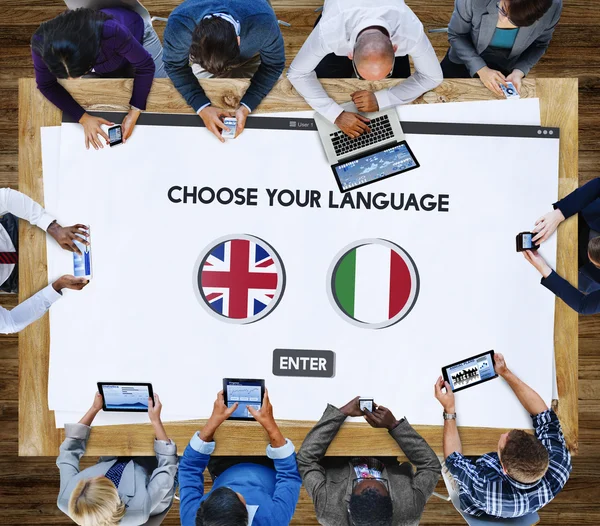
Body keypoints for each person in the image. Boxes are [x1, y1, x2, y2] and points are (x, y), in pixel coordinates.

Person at [434, 353, 572, 518]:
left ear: (504, 469)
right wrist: (505, 372)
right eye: (513, 433)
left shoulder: (485, 489)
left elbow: (453, 459)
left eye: (502, 444)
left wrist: (449, 409)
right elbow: (543, 415)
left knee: (438, 452)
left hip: (477, 497)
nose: (504, 434)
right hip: (515, 503)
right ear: (540, 447)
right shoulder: (560, 462)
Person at [287, 0, 442, 139]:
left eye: (386, 73)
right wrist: (336, 114)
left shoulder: (410, 31)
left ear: (395, 48)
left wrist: (382, 99)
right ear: (350, 54)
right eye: (362, 76)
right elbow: (298, 73)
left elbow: (432, 77)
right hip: (340, 17)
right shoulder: (329, 31)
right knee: (326, 75)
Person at [32, 6, 166, 150]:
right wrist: (83, 118)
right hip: (107, 59)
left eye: (79, 73)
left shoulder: (111, 31)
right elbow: (46, 85)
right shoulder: (41, 44)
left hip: (137, 38)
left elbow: (145, 66)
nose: (76, 80)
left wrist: (134, 111)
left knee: (164, 89)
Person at [297, 396, 441, 525]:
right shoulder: (409, 511)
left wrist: (342, 413)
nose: (370, 475)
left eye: (360, 482)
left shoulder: (329, 511)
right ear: (392, 503)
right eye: (380, 482)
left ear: (349, 503)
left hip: (340, 446)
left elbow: (306, 460)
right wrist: (394, 426)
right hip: (385, 447)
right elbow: (431, 467)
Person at [163, 0, 285, 143]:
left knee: (278, 97)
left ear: (239, 41)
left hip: (251, 56)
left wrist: (247, 105)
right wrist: (201, 107)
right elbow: (174, 66)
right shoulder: (179, 25)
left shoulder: (264, 22)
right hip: (205, 59)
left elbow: (274, 65)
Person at [179, 390, 301, 526]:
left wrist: (212, 423)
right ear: (246, 514)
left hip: (224, 467)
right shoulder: (274, 521)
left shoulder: (192, 519)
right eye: (235, 493)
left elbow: (188, 470)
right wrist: (270, 425)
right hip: (271, 464)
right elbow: (289, 476)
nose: (233, 487)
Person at [57, 392, 178, 525]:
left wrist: (94, 409)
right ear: (115, 495)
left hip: (115, 461)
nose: (98, 474)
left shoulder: (66, 499)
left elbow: (68, 452)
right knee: (180, 451)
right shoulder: (138, 509)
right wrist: (155, 420)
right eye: (103, 480)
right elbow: (167, 467)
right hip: (152, 478)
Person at [0, 188, 89, 334]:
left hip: (20, 230)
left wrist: (52, 227)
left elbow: (3, 197)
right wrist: (56, 286)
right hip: (23, 277)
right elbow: (10, 323)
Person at [441, 0, 562, 96]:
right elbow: (456, 35)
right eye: (503, 9)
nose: (503, 19)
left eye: (514, 20)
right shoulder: (471, 1)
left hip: (507, 66)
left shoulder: (553, 7)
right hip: (462, 60)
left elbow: (540, 44)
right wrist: (481, 69)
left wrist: (519, 71)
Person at [523, 177, 600, 314]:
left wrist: (544, 270)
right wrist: (560, 213)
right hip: (586, 217)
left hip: (579, 266)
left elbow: (583, 306)